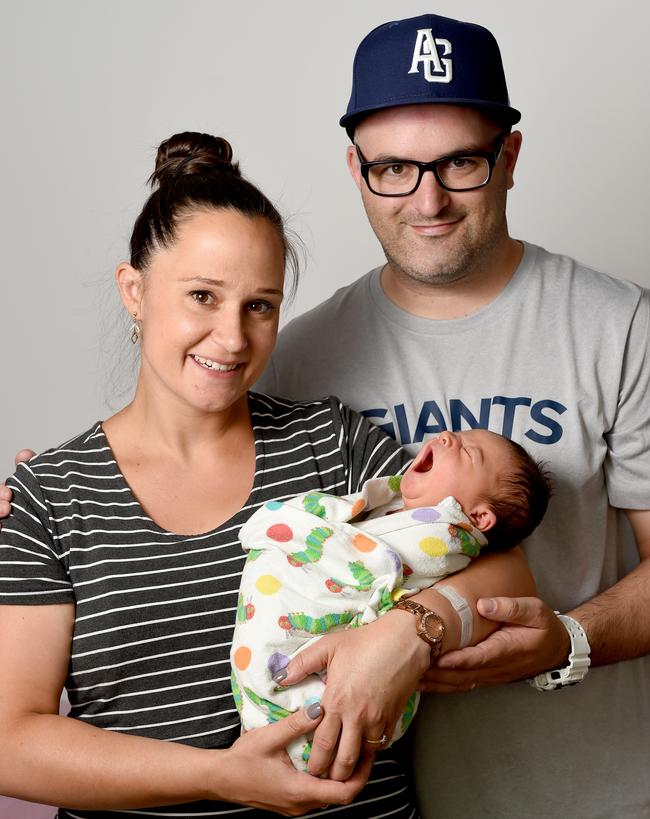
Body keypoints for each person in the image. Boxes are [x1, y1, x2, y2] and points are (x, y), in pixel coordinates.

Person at [0, 130, 534, 818]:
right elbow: (13, 741)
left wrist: (406, 631)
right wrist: (221, 775)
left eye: (260, 305)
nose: (231, 337)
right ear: (133, 291)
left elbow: (508, 570)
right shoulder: (48, 497)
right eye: (202, 296)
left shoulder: (331, 441)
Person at [255, 13, 650, 818]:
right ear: (355, 169)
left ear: (508, 158)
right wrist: (61, 488)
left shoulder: (622, 326)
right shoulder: (299, 358)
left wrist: (567, 638)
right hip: (376, 804)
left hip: (593, 794)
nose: (427, 199)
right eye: (394, 167)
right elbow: (221, 518)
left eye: (460, 162)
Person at [233, 429, 550, 771]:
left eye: (469, 452)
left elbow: (511, 575)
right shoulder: (389, 510)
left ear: (476, 518)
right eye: (456, 434)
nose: (446, 436)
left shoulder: (442, 534)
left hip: (334, 695)